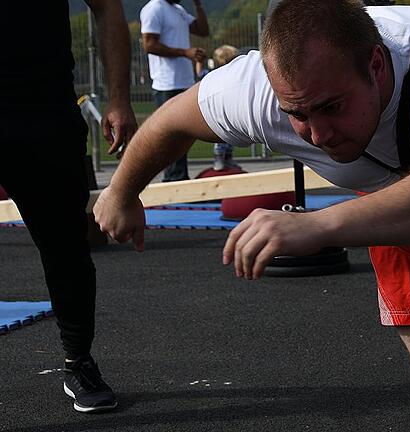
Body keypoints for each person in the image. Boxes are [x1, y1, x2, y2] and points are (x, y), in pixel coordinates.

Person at [94, 1, 410, 430]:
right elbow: (170, 121)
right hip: (396, 210)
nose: (317, 134)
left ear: (377, 64)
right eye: (298, 113)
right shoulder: (256, 91)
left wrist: (319, 225)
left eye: (331, 108)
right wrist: (121, 192)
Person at [0, 1, 137, 413]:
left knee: (65, 249)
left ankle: (78, 362)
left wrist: (118, 98)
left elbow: (108, 9)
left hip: (43, 109)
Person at [140, 0, 209, 181]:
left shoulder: (178, 9)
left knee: (183, 138)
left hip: (183, 82)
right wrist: (185, 53)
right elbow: (149, 45)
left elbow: (202, 30)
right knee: (169, 138)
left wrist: (199, 5)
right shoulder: (154, 8)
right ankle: (172, 181)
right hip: (166, 84)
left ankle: (179, 179)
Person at [195, 44, 242, 171]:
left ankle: (228, 158)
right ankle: (219, 158)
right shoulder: (215, 75)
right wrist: (199, 61)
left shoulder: (233, 76)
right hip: (219, 110)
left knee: (231, 135)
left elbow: (200, 73)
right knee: (221, 135)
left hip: (230, 109)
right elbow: (201, 74)